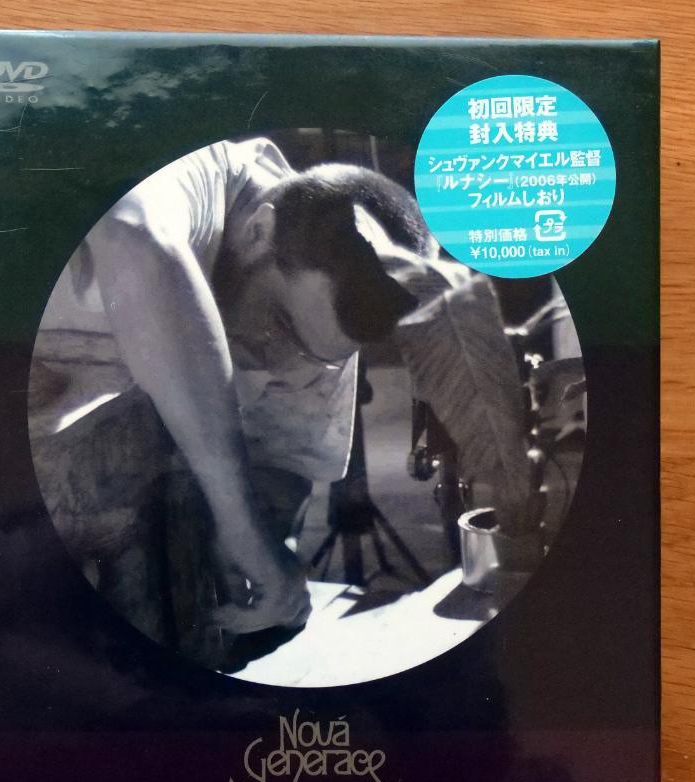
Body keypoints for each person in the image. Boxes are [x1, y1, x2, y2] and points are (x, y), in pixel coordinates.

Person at [29, 136, 455, 665]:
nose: (281, 360)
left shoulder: (324, 308)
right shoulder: (184, 174)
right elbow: (132, 238)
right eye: (278, 325)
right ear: (258, 231)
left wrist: (261, 552)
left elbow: (285, 465)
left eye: (308, 353)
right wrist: (239, 520)